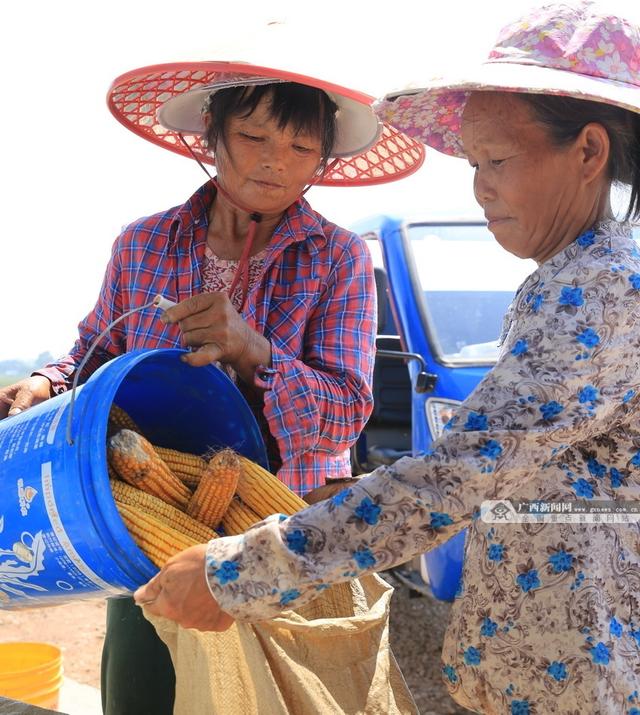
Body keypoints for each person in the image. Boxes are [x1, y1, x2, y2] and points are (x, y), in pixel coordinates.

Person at [135, 4, 640, 714]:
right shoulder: (566, 279)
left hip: (580, 679)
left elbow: (455, 477)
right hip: (543, 668)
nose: (480, 188)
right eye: (473, 164)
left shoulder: (603, 289)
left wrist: (235, 572)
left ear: (588, 152)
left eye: (496, 161)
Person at [0, 71, 386, 713]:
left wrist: (255, 350)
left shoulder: (338, 258)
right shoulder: (143, 242)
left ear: (322, 159)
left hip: (284, 530)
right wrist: (48, 380)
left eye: (299, 148)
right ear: (211, 137)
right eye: (253, 135)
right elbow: (96, 348)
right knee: (145, 689)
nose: (274, 161)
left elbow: (344, 412)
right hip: (149, 518)